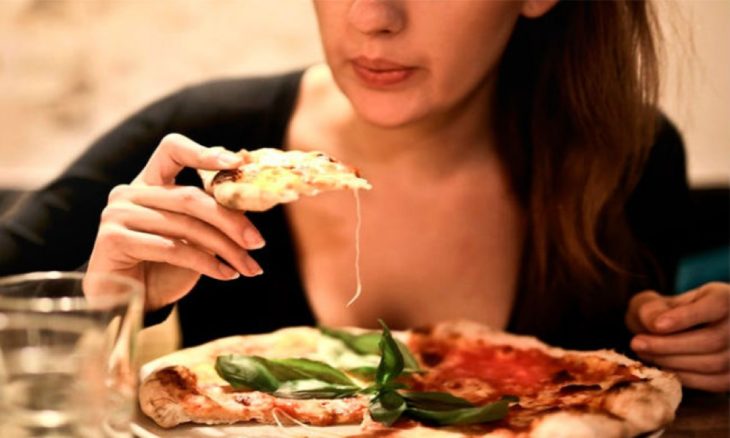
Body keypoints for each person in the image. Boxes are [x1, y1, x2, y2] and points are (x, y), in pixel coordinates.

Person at [0, 0, 727, 392]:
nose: (373, 17)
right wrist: (100, 313)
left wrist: (692, 345)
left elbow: (641, 379)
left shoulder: (629, 155)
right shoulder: (198, 145)